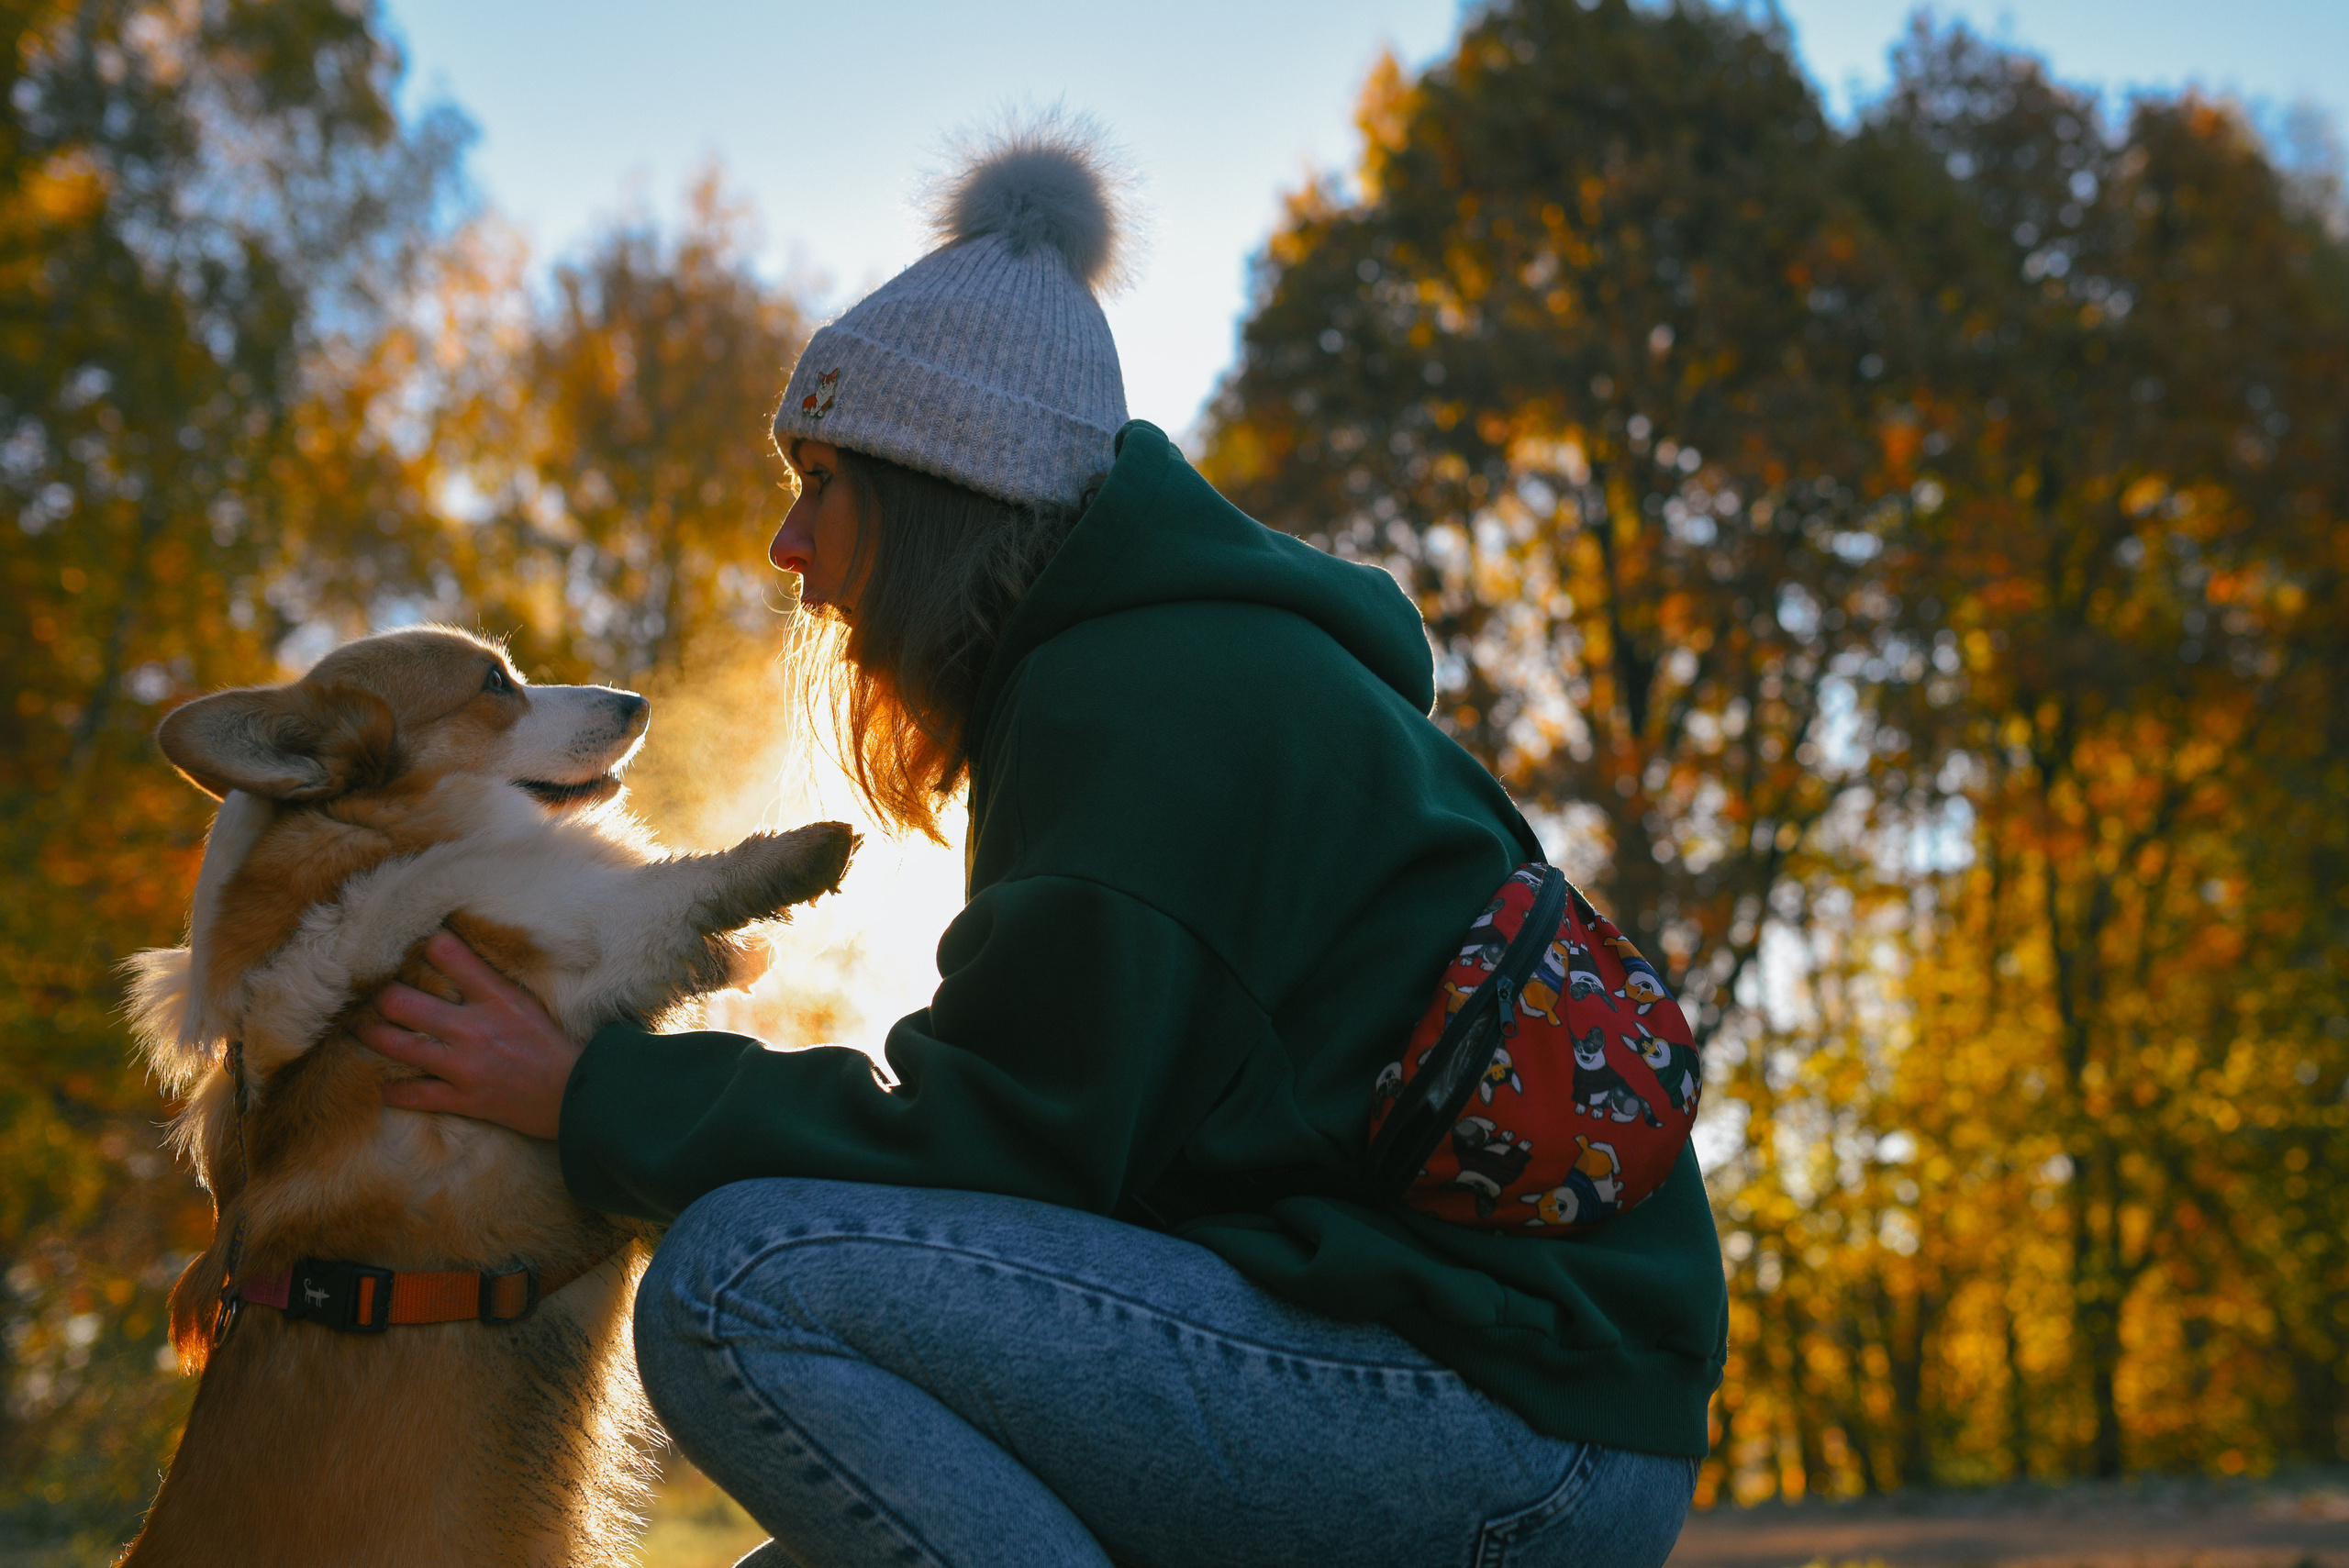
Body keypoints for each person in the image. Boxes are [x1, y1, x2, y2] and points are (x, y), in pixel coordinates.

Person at [358, 120, 1727, 1568]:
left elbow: (995, 1149)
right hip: (1480, 1391)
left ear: (932, 490)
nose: (787, 546)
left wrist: (588, 1091)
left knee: (737, 1281)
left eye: (820, 481)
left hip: (1509, 1430)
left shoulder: (1133, 699)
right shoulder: (1169, 667)